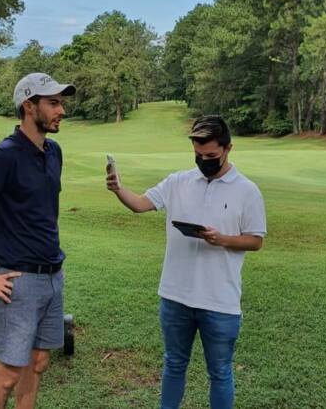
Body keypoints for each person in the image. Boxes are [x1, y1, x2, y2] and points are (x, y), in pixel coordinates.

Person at [106, 115, 266, 409]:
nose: (203, 161)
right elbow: (141, 204)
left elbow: (255, 240)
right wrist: (118, 189)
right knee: (173, 364)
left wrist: (223, 239)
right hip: (175, 296)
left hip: (220, 301)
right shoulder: (178, 181)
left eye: (210, 156)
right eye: (198, 155)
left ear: (228, 148)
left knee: (219, 372)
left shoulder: (247, 190)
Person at [0, 72, 75, 409]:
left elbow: (45, 212)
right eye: (53, 102)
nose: (61, 110)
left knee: (37, 363)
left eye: (61, 102)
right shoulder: (3, 156)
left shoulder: (54, 152)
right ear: (28, 105)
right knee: (7, 373)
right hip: (18, 284)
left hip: (53, 277)